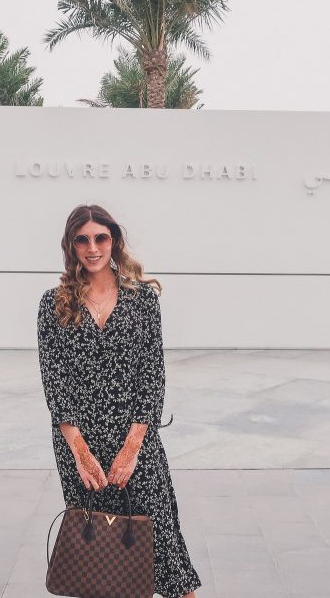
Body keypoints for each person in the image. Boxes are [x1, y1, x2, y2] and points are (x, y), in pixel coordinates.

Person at [38, 204, 201, 598]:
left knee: (160, 542)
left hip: (136, 441)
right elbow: (55, 384)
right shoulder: (54, 304)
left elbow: (152, 378)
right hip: (80, 444)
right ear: (71, 246)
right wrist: (79, 452)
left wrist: (131, 450)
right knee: (97, 551)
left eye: (101, 238)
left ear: (114, 241)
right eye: (83, 239)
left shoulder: (142, 301)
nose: (92, 248)